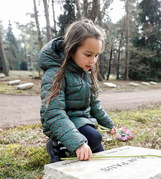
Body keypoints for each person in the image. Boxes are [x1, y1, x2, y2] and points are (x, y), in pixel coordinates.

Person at [38, 19, 117, 163]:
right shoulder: (55, 74)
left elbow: (95, 105)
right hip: (60, 124)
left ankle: (76, 143)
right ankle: (57, 145)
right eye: (88, 55)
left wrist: (108, 124)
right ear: (72, 49)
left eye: (96, 55)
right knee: (94, 137)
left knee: (99, 154)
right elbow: (54, 114)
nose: (93, 60)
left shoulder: (87, 74)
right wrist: (78, 143)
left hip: (83, 122)